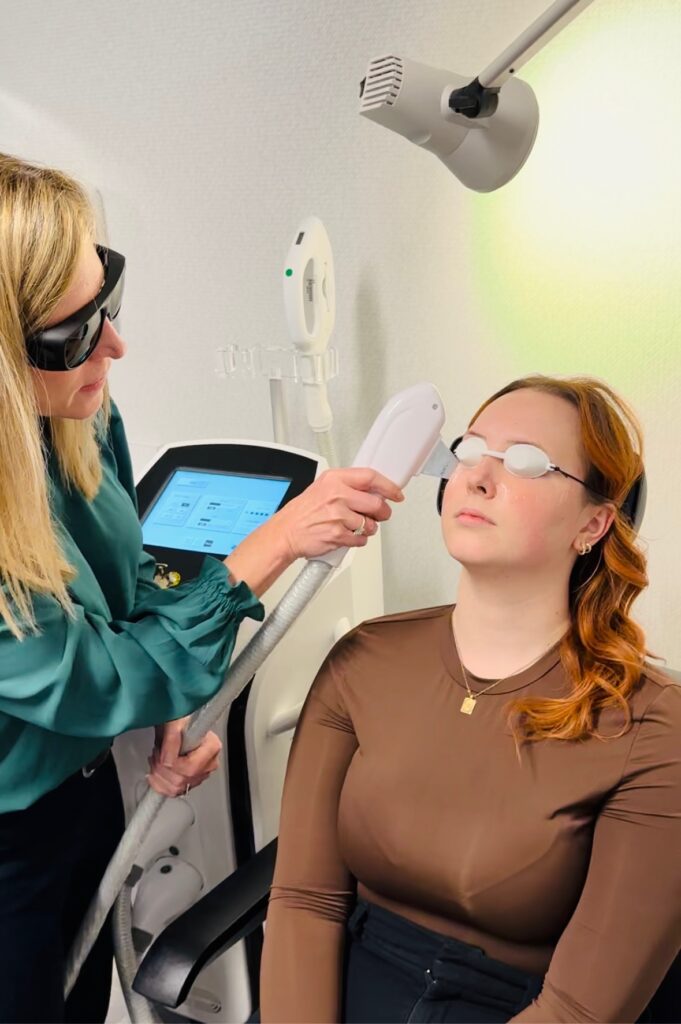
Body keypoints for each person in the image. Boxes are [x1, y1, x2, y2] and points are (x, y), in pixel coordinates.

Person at [0, 151, 404, 1024]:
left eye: (108, 298)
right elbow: (92, 675)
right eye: (75, 337)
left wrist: (162, 720)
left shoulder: (76, 412)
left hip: (79, 793)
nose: (116, 346)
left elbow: (129, 582)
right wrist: (276, 540)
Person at [260, 374, 681, 1023]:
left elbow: (578, 1009)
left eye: (526, 463)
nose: (478, 477)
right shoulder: (363, 663)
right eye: (469, 450)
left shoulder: (651, 725)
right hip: (343, 990)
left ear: (593, 523)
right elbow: (304, 901)